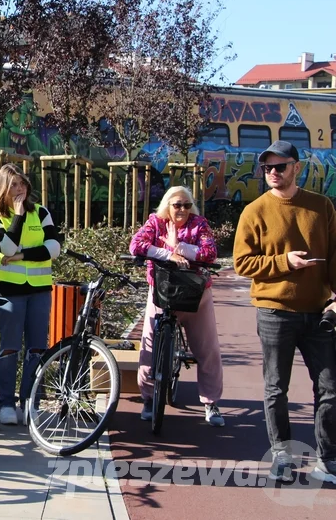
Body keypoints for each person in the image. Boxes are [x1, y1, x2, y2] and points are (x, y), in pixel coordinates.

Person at [233, 140, 336, 484]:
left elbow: (334, 259)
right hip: (275, 311)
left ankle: (328, 457)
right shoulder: (255, 211)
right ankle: (282, 454)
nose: (272, 173)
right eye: (267, 168)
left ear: (297, 167)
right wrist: (283, 262)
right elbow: (242, 263)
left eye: (280, 167)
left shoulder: (321, 207)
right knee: (276, 387)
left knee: (330, 387)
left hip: (320, 312)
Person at [129, 185, 225, 427]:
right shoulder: (155, 222)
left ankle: (211, 402)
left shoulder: (199, 224)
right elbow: (136, 246)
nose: (182, 209)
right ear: (167, 205)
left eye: (186, 205)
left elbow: (210, 253)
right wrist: (167, 253)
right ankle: (149, 399)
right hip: (162, 291)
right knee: (149, 346)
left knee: (208, 349)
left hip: (195, 293)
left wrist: (179, 246)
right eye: (177, 204)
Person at [0, 163, 60, 426]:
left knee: (37, 348)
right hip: (10, 291)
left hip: (39, 290)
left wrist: (23, 255)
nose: (19, 189)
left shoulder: (41, 212)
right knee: (9, 348)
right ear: (3, 188)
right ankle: (6, 402)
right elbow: (6, 247)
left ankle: (31, 401)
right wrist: (16, 215)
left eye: (23, 184)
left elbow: (53, 248)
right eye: (14, 184)